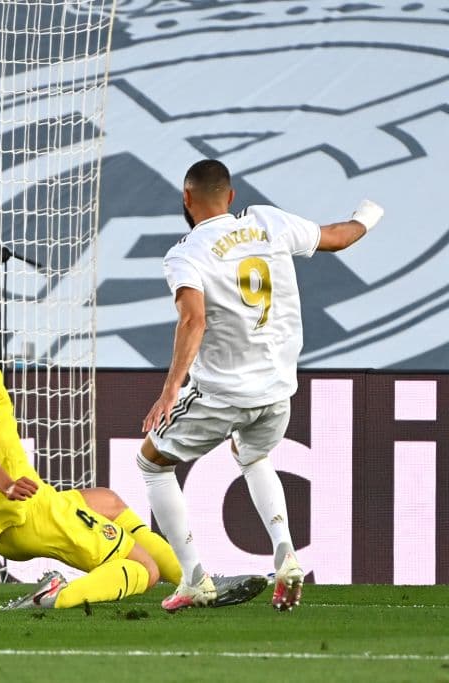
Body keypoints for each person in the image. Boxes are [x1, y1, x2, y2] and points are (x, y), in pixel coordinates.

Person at [0, 289, 267, 610]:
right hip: (24, 510)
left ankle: (200, 581)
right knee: (144, 569)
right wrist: (7, 483)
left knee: (108, 500)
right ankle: (57, 596)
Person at [139, 159, 384, 612]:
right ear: (231, 197)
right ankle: (286, 552)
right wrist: (370, 212)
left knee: (152, 462)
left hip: (223, 392)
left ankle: (194, 577)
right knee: (252, 454)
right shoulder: (269, 221)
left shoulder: (187, 252)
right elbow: (340, 236)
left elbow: (192, 319)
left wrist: (170, 390)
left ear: (187, 200)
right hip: (278, 390)